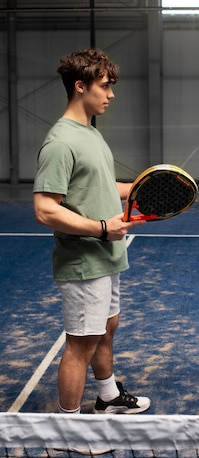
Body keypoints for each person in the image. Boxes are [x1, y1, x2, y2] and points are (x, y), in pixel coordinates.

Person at [33, 48, 151, 415]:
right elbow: (44, 208)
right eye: (104, 86)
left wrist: (141, 186)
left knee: (105, 329)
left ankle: (108, 396)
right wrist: (102, 229)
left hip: (106, 256)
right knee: (80, 345)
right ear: (80, 86)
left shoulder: (90, 134)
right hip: (83, 261)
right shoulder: (60, 142)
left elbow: (98, 185)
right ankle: (71, 428)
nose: (111, 94)